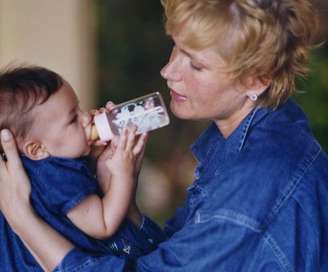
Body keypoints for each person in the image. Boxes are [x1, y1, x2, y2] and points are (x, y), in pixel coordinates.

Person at [1, 0, 328, 271]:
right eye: (176, 46)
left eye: (196, 65)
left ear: (255, 80)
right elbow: (170, 258)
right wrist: (117, 188)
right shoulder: (249, 141)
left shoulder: (255, 182)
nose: (168, 71)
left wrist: (22, 219)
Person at [0, 66, 159, 271]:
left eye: (79, 109)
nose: (86, 118)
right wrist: (124, 174)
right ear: (37, 149)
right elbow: (103, 224)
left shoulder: (44, 167)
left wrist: (93, 162)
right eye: (73, 119)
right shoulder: (57, 177)